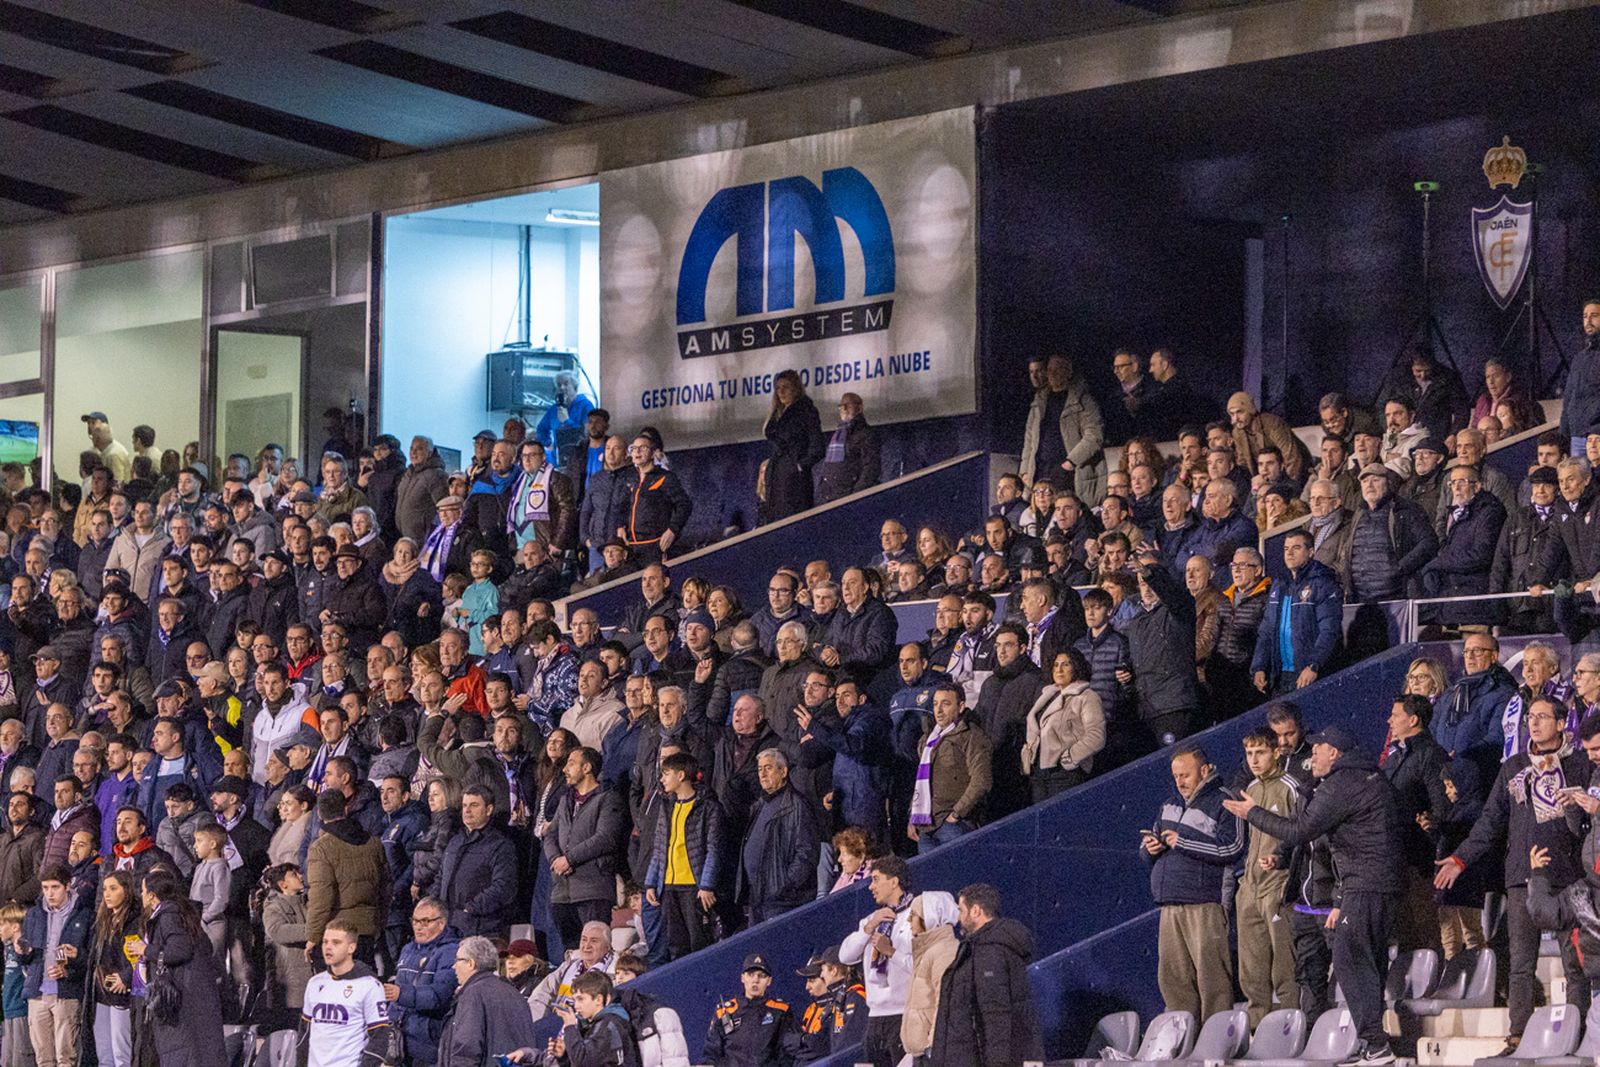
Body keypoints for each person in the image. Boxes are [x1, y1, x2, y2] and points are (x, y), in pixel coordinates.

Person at [1224, 724, 1402, 1067]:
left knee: (1351, 960)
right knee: (1370, 962)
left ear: (1333, 753)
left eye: (1317, 751)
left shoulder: (1342, 783)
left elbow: (1301, 828)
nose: (1311, 758)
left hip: (1364, 884)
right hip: (1380, 883)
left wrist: (1253, 814)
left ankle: (1376, 1046)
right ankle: (1372, 1043)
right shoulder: (1371, 778)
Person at [1433, 697, 1590, 1053]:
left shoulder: (1580, 764)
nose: (1533, 724)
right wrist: (1460, 859)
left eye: (1542, 717)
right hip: (1522, 877)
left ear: (1562, 723)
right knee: (1520, 964)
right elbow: (1490, 822)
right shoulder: (1514, 768)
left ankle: (1578, 1033)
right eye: (1530, 717)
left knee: (1574, 964)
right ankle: (1518, 1036)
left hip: (1570, 878)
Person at [1143, 744, 1241, 1023]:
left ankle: (1217, 1037)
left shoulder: (1224, 802)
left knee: (1212, 977)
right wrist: (1149, 847)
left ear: (1205, 770)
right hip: (1169, 901)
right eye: (1176, 776)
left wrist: (1183, 842)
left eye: (1185, 775)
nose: (1180, 782)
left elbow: (1232, 848)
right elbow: (1155, 839)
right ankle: (1183, 1035)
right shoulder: (1169, 804)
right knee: (1173, 977)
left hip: (1205, 902)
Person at [926, 883, 1042, 1067]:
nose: (958, 917)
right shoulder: (981, 948)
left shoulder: (990, 952)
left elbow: (995, 1014)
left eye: (961, 910)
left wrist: (998, 1064)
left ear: (976, 911)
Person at [1235, 729, 1299, 1028]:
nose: (1254, 759)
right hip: (1251, 886)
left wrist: (1281, 858)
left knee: (1284, 962)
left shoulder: (1290, 787)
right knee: (1251, 965)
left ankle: (1291, 1021)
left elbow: (1303, 834)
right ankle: (1256, 1026)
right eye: (1249, 753)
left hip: (1279, 883)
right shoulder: (1251, 788)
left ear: (1276, 752)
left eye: (1260, 752)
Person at [1381, 695, 1449, 954]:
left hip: (1420, 859)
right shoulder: (1395, 756)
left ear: (1413, 719)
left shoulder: (1430, 754)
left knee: (1423, 927)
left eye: (1395, 715)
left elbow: (1441, 804)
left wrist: (1431, 829)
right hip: (1396, 856)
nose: (1390, 720)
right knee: (1404, 927)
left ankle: (1431, 983)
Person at [139, 867, 227, 1066]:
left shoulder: (169, 915)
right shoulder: (182, 913)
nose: (141, 895)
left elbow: (179, 951)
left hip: (183, 1000)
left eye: (143, 891)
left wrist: (145, 950)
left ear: (152, 896)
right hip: (195, 997)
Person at [644, 751, 725, 961]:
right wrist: (651, 883)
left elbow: (713, 848)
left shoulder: (708, 807)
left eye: (666, 773)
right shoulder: (666, 806)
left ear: (681, 775)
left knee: (699, 943)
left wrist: (706, 885)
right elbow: (660, 847)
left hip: (693, 887)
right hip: (669, 887)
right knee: (676, 945)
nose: (662, 779)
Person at [544, 747, 627, 948]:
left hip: (593, 891)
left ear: (587, 767)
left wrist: (569, 859)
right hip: (562, 892)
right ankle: (569, 982)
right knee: (571, 954)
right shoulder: (565, 800)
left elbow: (606, 838)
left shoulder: (608, 798)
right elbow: (550, 834)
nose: (565, 769)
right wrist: (556, 859)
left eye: (571, 763)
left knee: (595, 951)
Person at [838, 855, 914, 1067]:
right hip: (875, 1018)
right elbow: (845, 956)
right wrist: (868, 928)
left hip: (904, 1014)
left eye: (876, 879)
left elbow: (919, 964)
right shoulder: (871, 919)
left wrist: (889, 951)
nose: (871, 887)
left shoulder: (916, 915)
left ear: (894, 881)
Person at [1251, 529, 1342, 696]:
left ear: (1310, 552)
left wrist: (1314, 665)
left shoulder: (1323, 584)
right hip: (1279, 676)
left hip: (1308, 674)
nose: (1289, 553)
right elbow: (1266, 631)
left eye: (1296, 548)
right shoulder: (1278, 585)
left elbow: (1329, 631)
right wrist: (1259, 666)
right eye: (1286, 549)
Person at [17, 862, 91, 1067]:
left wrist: (72, 962)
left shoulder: (83, 914)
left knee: (65, 1057)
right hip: (37, 992)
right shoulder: (34, 914)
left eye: (55, 887)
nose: (49, 893)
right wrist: (23, 951)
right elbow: (25, 958)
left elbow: (90, 958)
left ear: (68, 886)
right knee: (43, 1059)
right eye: (45, 887)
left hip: (66, 993)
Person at [305, 789, 388, 965]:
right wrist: (378, 922)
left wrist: (313, 936)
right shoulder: (374, 842)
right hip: (368, 930)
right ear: (346, 808)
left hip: (337, 933)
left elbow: (321, 898)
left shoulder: (321, 849)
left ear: (319, 813)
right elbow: (386, 887)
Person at [908, 683, 991, 853]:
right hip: (925, 826)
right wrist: (913, 815)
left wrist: (956, 814)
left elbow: (982, 780)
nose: (938, 710)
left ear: (961, 706)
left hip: (953, 825)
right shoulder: (928, 739)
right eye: (935, 703)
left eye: (945, 704)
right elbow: (921, 780)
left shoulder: (972, 736)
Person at [738, 749, 819, 924]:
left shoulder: (797, 805)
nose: (763, 774)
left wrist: (783, 885)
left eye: (768, 768)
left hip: (783, 901)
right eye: (760, 769)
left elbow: (807, 853)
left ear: (783, 772)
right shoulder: (760, 804)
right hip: (758, 896)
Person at [436, 935, 539, 1067]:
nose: (453, 966)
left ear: (471, 963)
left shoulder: (473, 994)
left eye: (458, 960)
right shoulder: (513, 992)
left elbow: (467, 1048)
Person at [300, 919, 391, 1067]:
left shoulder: (369, 986)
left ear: (351, 948)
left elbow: (379, 1037)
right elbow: (304, 1032)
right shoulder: (315, 983)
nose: (328, 947)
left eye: (336, 942)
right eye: (325, 942)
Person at [432, 784, 518, 937]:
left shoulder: (501, 845)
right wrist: (433, 904)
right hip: (447, 926)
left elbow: (504, 887)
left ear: (489, 809)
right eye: (464, 805)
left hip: (480, 928)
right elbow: (440, 876)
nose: (467, 810)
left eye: (474, 805)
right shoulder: (455, 841)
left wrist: (470, 909)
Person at [1019, 355, 1106, 505]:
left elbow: (1094, 435)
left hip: (1067, 471)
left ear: (1068, 372)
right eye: (1050, 369)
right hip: (1041, 468)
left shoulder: (1083, 400)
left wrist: (1070, 462)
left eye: (1057, 369)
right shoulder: (1040, 400)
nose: (1052, 373)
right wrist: (1025, 470)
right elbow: (1029, 438)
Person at [1019, 648, 1104, 800]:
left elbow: (1096, 736)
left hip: (1064, 774)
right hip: (1039, 773)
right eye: (1056, 665)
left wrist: (1070, 757)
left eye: (1065, 665)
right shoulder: (1047, 695)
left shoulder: (1086, 696)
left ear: (1076, 667)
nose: (1059, 669)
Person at [385, 897, 459, 1067]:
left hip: (427, 1043)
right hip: (398, 1042)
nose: (418, 926)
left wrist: (400, 994)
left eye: (425, 921)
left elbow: (439, 995)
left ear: (441, 923)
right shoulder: (407, 949)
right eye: (415, 921)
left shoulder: (451, 952)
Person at [704, 953, 801, 1067]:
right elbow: (711, 1054)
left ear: (769, 981)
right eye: (751, 975)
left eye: (761, 976)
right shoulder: (724, 1012)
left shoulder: (781, 1011)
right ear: (742, 978)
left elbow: (788, 1050)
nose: (755, 980)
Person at [763, 369, 825, 522]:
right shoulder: (778, 414)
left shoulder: (806, 411)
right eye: (778, 388)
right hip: (778, 478)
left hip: (794, 482)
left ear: (796, 388)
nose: (781, 392)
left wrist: (798, 466)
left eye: (786, 387)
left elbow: (818, 447)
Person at [815, 392, 882, 504]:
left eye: (848, 405)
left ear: (860, 408)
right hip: (830, 495)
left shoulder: (866, 434)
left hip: (849, 495)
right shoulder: (838, 433)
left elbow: (871, 467)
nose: (844, 408)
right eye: (841, 406)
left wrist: (856, 493)